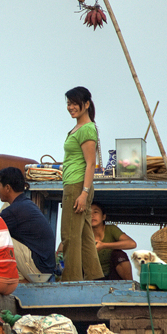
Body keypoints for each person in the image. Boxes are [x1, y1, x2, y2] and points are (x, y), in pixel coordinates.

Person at [57, 86, 102, 281]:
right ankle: (94, 276)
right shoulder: (78, 127)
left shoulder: (87, 128)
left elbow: (91, 163)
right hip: (75, 184)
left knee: (69, 235)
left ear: (86, 104)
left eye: (75, 103)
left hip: (77, 186)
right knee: (84, 236)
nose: (71, 107)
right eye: (68, 103)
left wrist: (83, 193)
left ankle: (70, 280)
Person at [0, 166, 56, 282]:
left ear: (8, 188)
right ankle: (18, 278)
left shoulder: (14, 210)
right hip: (43, 267)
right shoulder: (24, 204)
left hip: (39, 271)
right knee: (0, 232)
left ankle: (14, 278)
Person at [90, 202, 137, 280]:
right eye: (88, 213)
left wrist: (104, 245)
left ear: (103, 217)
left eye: (95, 212)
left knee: (119, 254)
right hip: (90, 276)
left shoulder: (111, 229)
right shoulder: (82, 233)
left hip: (112, 275)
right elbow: (62, 248)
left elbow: (132, 244)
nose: (92, 215)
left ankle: (129, 285)